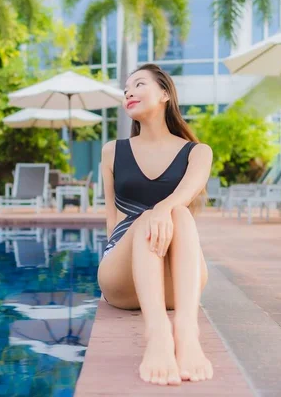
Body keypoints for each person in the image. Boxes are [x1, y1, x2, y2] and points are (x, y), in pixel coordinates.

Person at [98, 63, 213, 386]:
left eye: (138, 85)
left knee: (179, 213)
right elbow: (112, 221)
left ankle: (187, 333)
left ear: (165, 93)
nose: (129, 92)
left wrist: (163, 209)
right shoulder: (112, 152)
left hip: (177, 283)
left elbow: (188, 192)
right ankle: (158, 334)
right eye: (125, 90)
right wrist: (152, 217)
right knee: (154, 215)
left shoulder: (198, 153)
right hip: (123, 277)